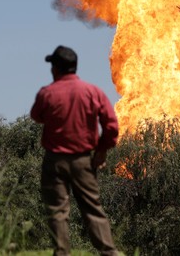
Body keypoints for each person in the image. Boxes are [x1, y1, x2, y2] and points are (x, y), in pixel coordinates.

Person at [30, 45, 119, 256]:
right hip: (83, 161)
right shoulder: (92, 91)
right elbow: (112, 126)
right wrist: (101, 151)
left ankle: (61, 253)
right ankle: (109, 252)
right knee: (92, 209)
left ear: (55, 69)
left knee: (58, 211)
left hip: (54, 161)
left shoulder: (47, 93)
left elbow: (36, 116)